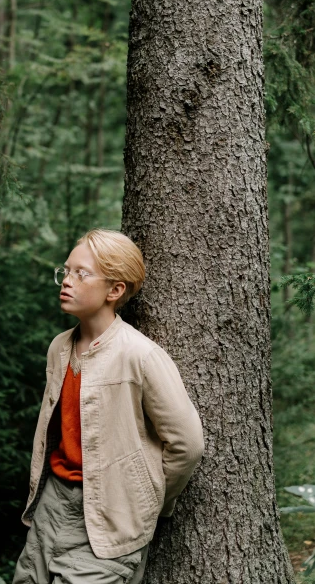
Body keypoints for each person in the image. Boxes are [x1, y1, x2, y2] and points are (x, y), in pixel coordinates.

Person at [12, 228, 204, 584]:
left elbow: (188, 445)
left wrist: (150, 500)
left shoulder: (140, 355)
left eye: (81, 274)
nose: (66, 281)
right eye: (65, 271)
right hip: (52, 504)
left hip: (112, 516)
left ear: (114, 291)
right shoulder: (59, 347)